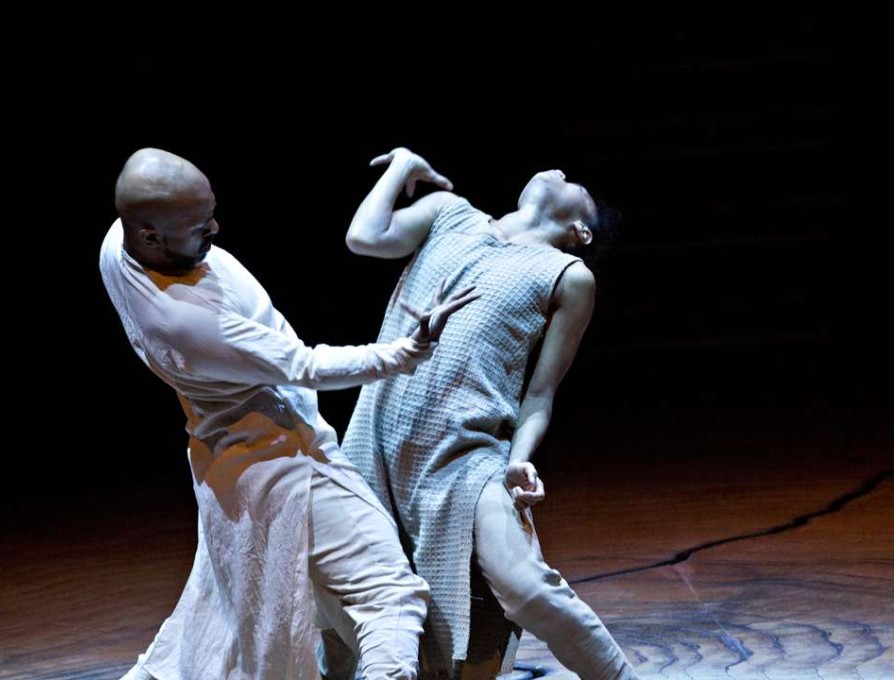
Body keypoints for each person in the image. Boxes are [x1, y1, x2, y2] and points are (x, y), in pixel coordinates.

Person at [100, 148, 478, 680]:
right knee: (389, 595)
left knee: (222, 621)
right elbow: (305, 364)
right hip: (286, 464)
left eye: (210, 211)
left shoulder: (115, 248)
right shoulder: (186, 321)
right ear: (149, 236)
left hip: (228, 470)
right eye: (196, 224)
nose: (214, 227)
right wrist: (404, 351)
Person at [327, 147, 637, 679]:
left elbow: (540, 394)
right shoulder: (449, 212)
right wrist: (404, 166)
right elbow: (364, 237)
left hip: (466, 457)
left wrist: (520, 459)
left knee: (525, 588)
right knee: (341, 607)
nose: (558, 169)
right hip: (374, 443)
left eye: (573, 181)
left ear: (580, 231)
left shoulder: (567, 275)